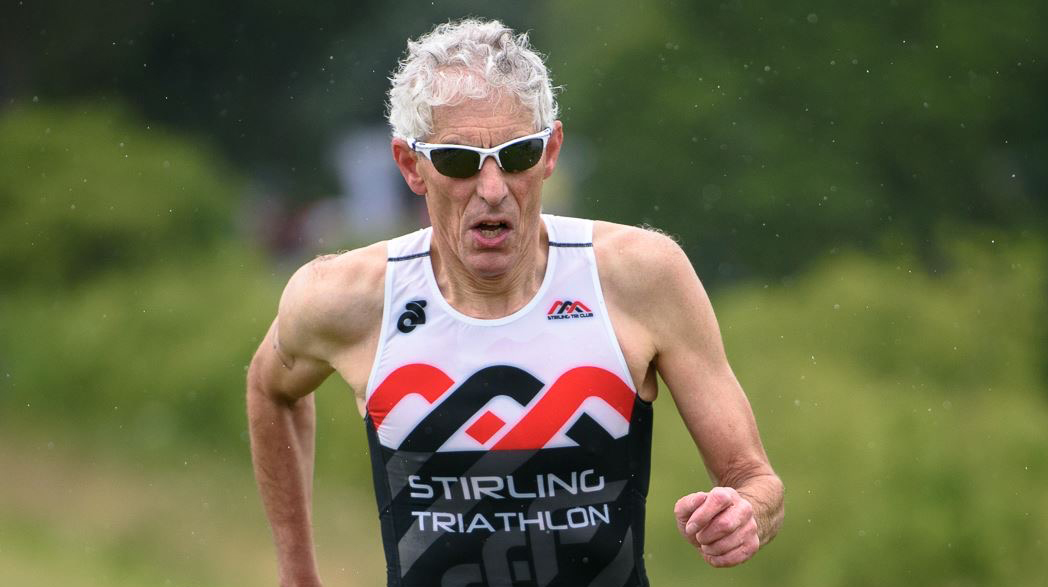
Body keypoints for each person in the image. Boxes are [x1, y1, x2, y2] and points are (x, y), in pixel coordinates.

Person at [247, 18, 784, 587]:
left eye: (518, 155)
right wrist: (297, 573)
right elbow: (269, 390)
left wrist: (745, 513)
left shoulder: (640, 276)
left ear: (551, 151)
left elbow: (756, 480)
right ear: (410, 166)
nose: (493, 189)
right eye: (458, 161)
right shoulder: (346, 297)